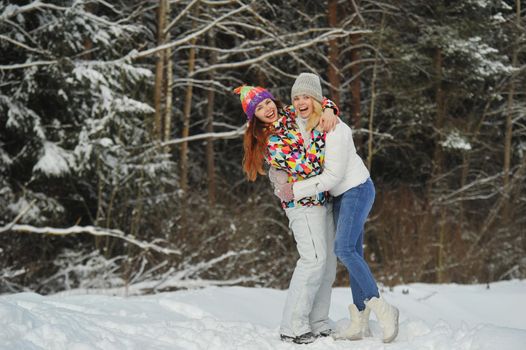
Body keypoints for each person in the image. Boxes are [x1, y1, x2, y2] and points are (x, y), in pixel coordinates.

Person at [273, 72, 400, 344]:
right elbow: (276, 121)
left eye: (306, 96)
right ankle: (360, 317)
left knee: (342, 249)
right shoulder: (306, 122)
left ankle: (384, 309)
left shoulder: (335, 129)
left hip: (356, 189)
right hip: (337, 197)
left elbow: (330, 177)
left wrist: (294, 190)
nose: (300, 102)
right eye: (296, 97)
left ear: (318, 100)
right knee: (353, 251)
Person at [234, 84, 338, 344]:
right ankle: (292, 325)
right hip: (302, 205)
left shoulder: (291, 114)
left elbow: (319, 103)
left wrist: (327, 111)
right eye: (259, 109)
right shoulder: (271, 140)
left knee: (327, 264)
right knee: (313, 260)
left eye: (267, 103)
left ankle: (319, 321)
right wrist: (322, 137)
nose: (267, 109)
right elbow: (308, 167)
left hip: (323, 197)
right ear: (253, 117)